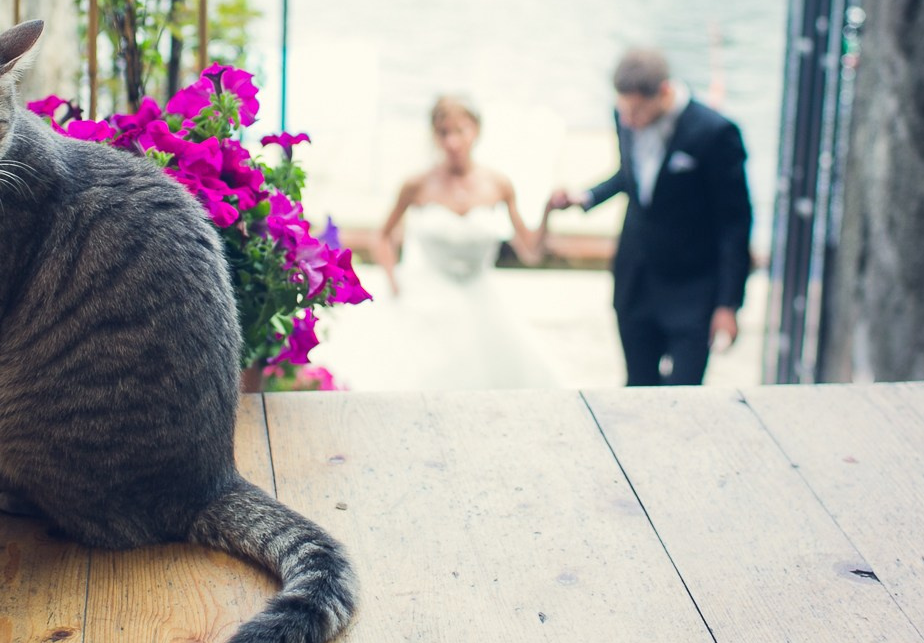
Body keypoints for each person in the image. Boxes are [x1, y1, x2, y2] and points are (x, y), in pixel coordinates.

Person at [318, 96, 559, 390]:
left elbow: (531, 252)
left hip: (481, 297)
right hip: (427, 297)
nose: (453, 142)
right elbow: (381, 236)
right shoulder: (417, 184)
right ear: (434, 135)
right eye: (444, 132)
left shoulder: (499, 184)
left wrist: (547, 211)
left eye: (461, 131)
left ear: (477, 131)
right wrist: (393, 279)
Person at [548, 48, 751, 387]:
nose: (627, 120)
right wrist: (586, 197)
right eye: (623, 109)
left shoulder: (715, 133)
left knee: (682, 395)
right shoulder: (625, 115)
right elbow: (632, 175)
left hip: (693, 288)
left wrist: (728, 305)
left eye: (637, 110)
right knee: (636, 388)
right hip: (636, 280)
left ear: (665, 93)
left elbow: (736, 223)